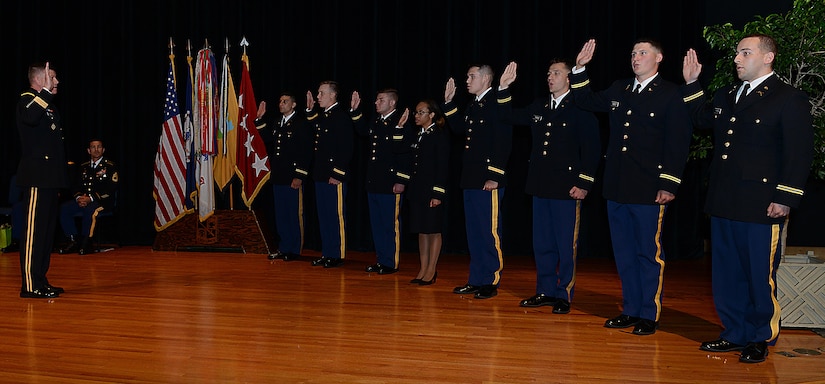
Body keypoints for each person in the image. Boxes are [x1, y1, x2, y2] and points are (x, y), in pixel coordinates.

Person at [682, 34, 813, 363]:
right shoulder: (728, 94)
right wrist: (692, 83)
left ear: (768, 57)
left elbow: (799, 154)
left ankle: (760, 336)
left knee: (758, 274)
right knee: (726, 273)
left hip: (761, 202)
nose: (737, 59)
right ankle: (734, 332)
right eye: (737, 53)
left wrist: (785, 197)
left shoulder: (788, 98)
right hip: (725, 200)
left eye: (745, 52)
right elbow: (701, 119)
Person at [570, 38, 693, 334]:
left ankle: (649, 313)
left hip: (649, 187)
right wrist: (579, 69)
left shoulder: (671, 94)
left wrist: (669, 183)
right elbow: (584, 101)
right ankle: (631, 309)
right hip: (617, 186)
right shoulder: (619, 88)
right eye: (633, 53)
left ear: (659, 58)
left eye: (642, 53)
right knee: (624, 253)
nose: (635, 58)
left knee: (647, 253)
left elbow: (677, 143)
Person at [499, 58, 601, 314]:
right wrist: (503, 89)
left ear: (568, 79)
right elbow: (507, 117)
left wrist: (584, 182)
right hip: (540, 184)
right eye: (548, 72)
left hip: (567, 187)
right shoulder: (539, 105)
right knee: (542, 242)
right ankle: (544, 290)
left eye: (556, 72)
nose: (550, 77)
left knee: (565, 243)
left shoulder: (580, 107)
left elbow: (592, 148)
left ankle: (563, 293)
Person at [444, 63, 514, 299]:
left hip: (487, 178)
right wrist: (449, 104)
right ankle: (476, 278)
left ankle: (490, 280)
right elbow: (459, 130)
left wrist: (495, 175)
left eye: (471, 76)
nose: (467, 80)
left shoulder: (496, 102)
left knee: (489, 231)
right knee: (474, 232)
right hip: (471, 179)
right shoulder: (475, 105)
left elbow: (503, 140)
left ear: (486, 80)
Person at [16, 62, 68, 299]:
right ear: (39, 79)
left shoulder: (48, 106)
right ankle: (29, 285)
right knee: (33, 234)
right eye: (52, 77)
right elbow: (29, 118)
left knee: (46, 235)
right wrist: (45, 92)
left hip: (49, 179)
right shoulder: (28, 99)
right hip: (36, 179)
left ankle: (40, 280)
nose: (56, 82)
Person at [350, 89, 412, 275]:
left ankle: (390, 262)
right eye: (376, 99)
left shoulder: (401, 122)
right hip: (374, 181)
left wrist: (401, 180)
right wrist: (355, 111)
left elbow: (405, 155)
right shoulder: (377, 121)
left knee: (389, 225)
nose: (376, 103)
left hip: (390, 183)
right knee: (377, 224)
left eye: (381, 100)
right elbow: (363, 132)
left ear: (392, 103)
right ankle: (381, 260)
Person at [397, 100, 449, 285]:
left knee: (433, 230)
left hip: (431, 190)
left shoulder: (438, 135)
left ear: (432, 115)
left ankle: (431, 270)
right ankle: (423, 268)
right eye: (416, 113)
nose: (416, 116)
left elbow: (442, 167)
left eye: (421, 112)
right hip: (417, 189)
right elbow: (402, 151)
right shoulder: (418, 135)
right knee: (421, 230)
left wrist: (438, 194)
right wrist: (400, 127)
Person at [306, 81, 357, 268]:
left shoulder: (340, 117)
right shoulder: (325, 116)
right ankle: (327, 252)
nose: (318, 96)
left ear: (333, 95)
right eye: (318, 93)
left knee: (335, 216)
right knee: (324, 216)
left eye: (321, 93)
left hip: (334, 176)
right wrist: (310, 110)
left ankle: (337, 254)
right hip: (321, 175)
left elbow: (346, 149)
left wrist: (338, 173)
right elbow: (315, 131)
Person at [257, 93, 312, 262]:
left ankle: (295, 249)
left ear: (294, 105)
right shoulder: (277, 123)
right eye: (280, 101)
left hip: (292, 177)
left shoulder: (301, 124)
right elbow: (267, 138)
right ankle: (284, 247)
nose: (281, 104)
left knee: (293, 214)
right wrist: (259, 120)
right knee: (281, 214)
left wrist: (299, 175)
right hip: (279, 176)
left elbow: (306, 151)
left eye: (285, 101)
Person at [58, 139, 119, 255]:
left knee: (90, 211)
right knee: (64, 208)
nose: (96, 150)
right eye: (93, 147)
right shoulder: (83, 166)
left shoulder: (110, 166)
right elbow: (75, 185)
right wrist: (79, 198)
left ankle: (87, 242)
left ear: (103, 149)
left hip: (102, 202)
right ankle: (73, 241)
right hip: (83, 200)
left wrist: (90, 198)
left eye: (99, 147)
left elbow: (111, 188)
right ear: (88, 150)